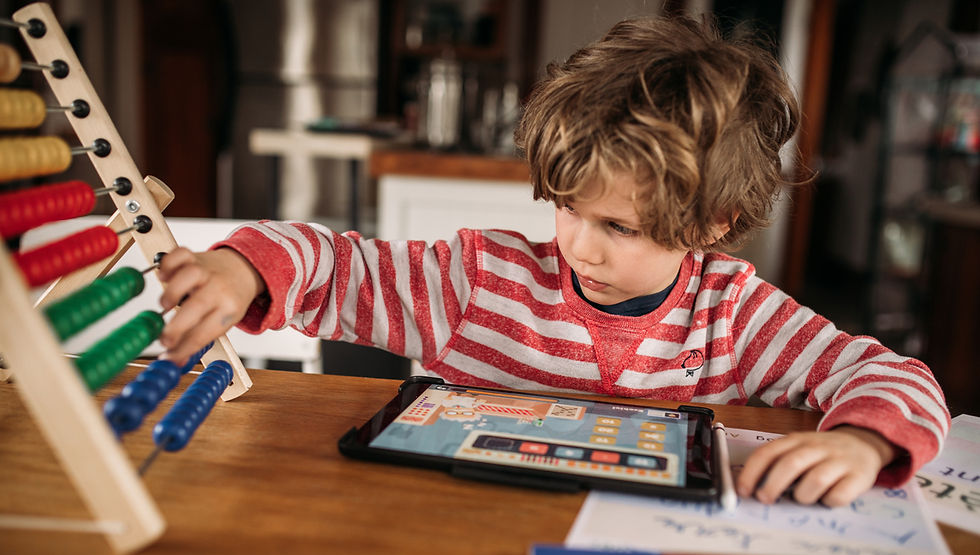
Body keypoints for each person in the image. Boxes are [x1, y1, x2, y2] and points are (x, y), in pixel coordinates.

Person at [156, 15, 948, 508]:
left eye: (621, 227)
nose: (578, 244)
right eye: (567, 206)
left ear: (715, 223)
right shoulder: (477, 281)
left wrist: (862, 443)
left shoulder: (735, 317)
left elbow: (897, 379)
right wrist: (245, 269)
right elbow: (334, 263)